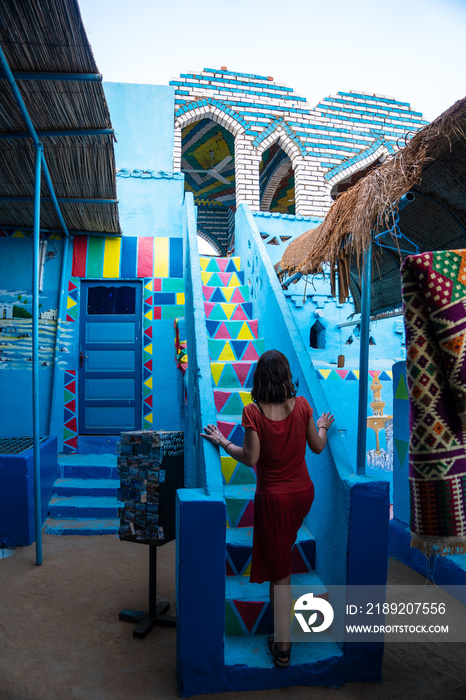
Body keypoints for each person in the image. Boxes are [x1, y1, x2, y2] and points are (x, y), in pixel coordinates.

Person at [202, 349, 334, 668]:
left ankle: (284, 649)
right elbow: (317, 447)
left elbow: (251, 458)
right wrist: (323, 426)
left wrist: (222, 442)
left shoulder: (253, 413)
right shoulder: (302, 406)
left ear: (260, 378)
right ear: (286, 377)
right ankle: (279, 634)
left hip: (274, 500)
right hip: (303, 495)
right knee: (280, 562)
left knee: (281, 575)